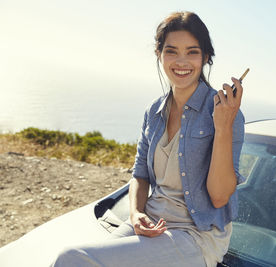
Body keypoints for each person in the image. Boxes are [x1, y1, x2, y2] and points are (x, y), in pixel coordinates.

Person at [51, 11, 245, 267]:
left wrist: (223, 127)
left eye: (192, 52)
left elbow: (219, 197)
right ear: (159, 54)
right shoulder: (153, 112)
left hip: (196, 235)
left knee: (71, 259)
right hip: (152, 221)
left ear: (206, 56)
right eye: (172, 51)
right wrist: (136, 213)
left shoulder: (225, 112)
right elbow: (139, 175)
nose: (181, 61)